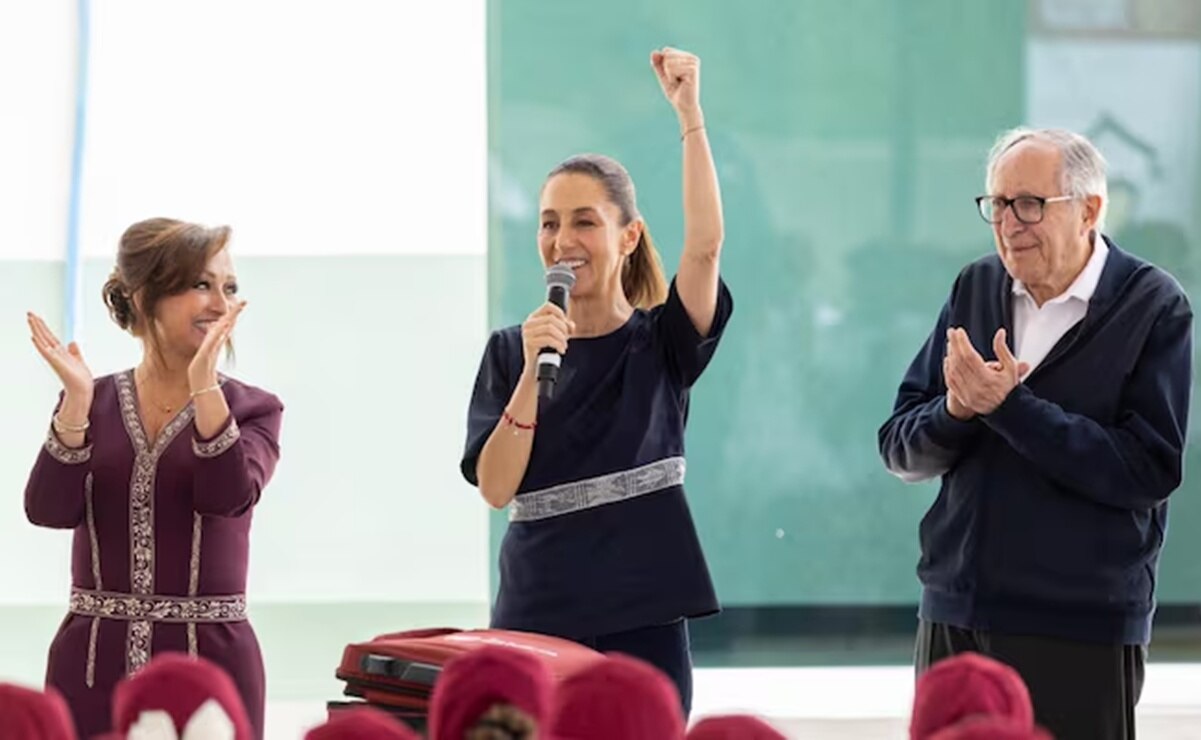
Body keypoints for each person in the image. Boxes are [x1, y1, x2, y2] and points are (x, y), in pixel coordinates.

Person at [878, 128, 1193, 740]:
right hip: (955, 614)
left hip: (1080, 627)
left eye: (1028, 204)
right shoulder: (976, 287)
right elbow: (900, 445)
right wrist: (958, 412)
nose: (1008, 222)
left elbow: (1148, 470)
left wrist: (1011, 407)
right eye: (996, 205)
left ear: (1090, 210)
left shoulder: (1153, 305)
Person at [461, 47, 730, 715]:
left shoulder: (660, 342)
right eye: (549, 223)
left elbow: (704, 247)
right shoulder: (507, 352)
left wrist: (689, 116)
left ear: (629, 236)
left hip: (645, 609)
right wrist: (531, 371)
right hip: (537, 607)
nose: (562, 240)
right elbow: (495, 488)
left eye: (584, 221)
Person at [25, 218, 284, 739]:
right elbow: (47, 509)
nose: (219, 302)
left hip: (211, 666)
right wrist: (74, 408)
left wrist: (205, 389)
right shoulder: (89, 402)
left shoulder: (254, 409)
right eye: (200, 284)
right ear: (146, 298)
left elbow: (227, 495)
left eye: (228, 287)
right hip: (92, 664)